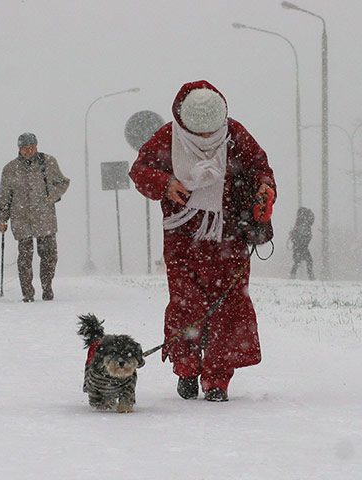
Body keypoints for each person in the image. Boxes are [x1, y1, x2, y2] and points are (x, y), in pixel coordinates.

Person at [129, 80, 276, 402]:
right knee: (186, 305)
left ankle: (217, 379)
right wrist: (165, 184)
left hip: (231, 234)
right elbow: (140, 170)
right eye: (201, 134)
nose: (209, 139)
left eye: (213, 132)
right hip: (183, 236)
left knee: (229, 308)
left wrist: (265, 189)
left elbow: (259, 168)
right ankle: (186, 367)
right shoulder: (168, 137)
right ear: (184, 123)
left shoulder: (235, 133)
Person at [0, 132, 70, 302]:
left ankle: (46, 286)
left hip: (45, 218)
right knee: (24, 259)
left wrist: (51, 196)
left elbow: (63, 182)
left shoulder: (48, 162)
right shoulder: (10, 169)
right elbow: (4, 197)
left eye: (31, 147)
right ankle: (27, 293)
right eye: (24, 148)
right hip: (21, 219)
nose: (28, 151)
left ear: (36, 146)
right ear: (18, 148)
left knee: (50, 256)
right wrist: (1, 218)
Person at [288, 206, 315, 280]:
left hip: (300, 246)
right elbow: (305, 237)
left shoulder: (300, 224)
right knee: (307, 261)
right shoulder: (304, 225)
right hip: (302, 246)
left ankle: (293, 275)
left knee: (298, 261)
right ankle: (310, 276)